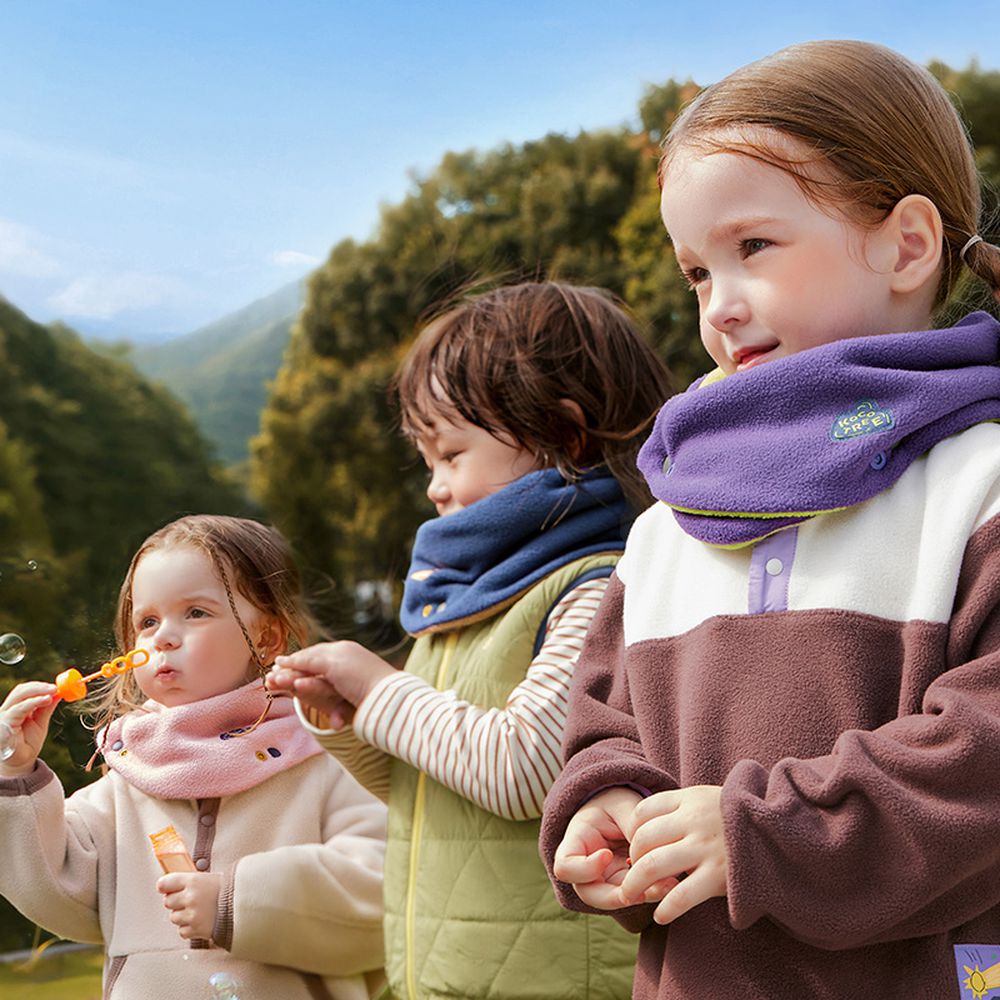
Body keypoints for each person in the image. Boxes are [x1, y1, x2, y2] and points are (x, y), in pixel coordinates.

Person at [539, 39, 1000, 1000]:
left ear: (906, 244)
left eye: (752, 248)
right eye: (697, 274)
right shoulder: (668, 521)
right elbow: (601, 722)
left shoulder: (980, 478)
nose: (720, 307)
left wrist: (762, 829)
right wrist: (605, 802)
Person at [266, 280, 673, 1000]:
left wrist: (381, 689)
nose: (434, 488)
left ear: (565, 437)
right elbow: (427, 784)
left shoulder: (595, 587)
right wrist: (351, 721)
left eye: (451, 455)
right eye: (426, 461)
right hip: (451, 972)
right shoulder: (467, 603)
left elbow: (523, 772)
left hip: (548, 979)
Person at [0, 514, 387, 1000]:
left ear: (266, 638)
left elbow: (381, 889)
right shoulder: (129, 779)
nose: (162, 637)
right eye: (147, 621)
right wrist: (16, 775)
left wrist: (235, 903)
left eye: (196, 613)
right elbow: (57, 894)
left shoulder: (326, 757)